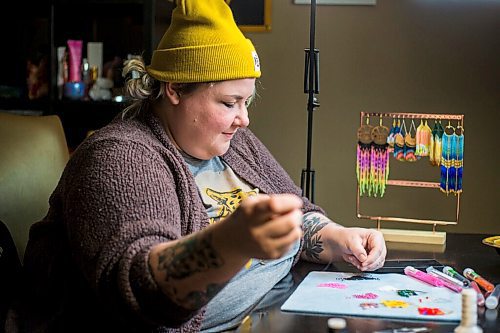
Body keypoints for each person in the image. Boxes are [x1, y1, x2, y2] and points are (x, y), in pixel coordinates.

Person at [7, 0, 386, 332]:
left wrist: (337, 237)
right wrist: (231, 242)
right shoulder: (118, 159)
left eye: (247, 102)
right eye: (228, 102)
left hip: (276, 309)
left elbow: (298, 216)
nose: (244, 119)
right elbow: (142, 293)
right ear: (174, 89)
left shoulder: (232, 141)